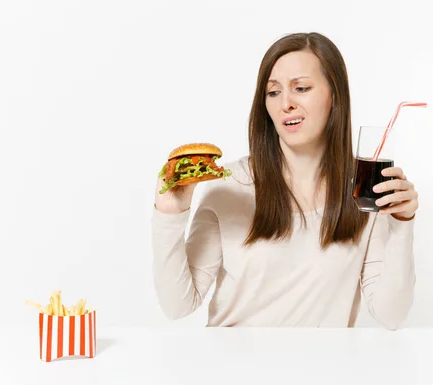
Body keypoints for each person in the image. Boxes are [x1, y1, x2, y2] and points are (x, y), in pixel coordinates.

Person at [151, 32, 418, 329]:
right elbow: (177, 306)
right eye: (273, 92)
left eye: (301, 88)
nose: (285, 103)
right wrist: (169, 214)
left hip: (327, 372)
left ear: (335, 96)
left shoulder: (364, 189)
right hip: (234, 371)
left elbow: (390, 314)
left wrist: (401, 224)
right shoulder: (229, 185)